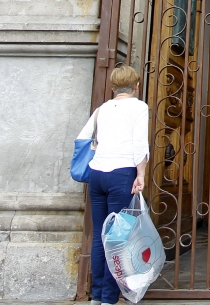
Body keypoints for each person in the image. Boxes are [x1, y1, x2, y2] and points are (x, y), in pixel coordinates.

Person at [76, 65, 150, 305]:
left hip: (97, 174)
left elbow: (82, 138)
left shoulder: (102, 109)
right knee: (117, 237)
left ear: (113, 86)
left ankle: (97, 296)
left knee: (100, 235)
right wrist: (141, 175)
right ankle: (109, 297)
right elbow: (139, 144)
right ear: (137, 85)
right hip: (122, 174)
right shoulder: (139, 107)